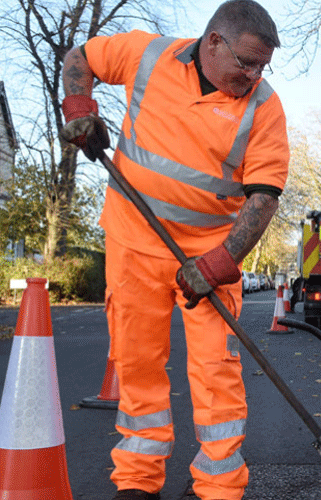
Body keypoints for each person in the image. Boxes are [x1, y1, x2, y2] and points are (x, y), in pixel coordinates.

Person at [59, 1, 288, 499]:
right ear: (212, 43)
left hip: (208, 254)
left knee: (216, 369)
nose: (253, 75)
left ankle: (220, 484)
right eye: (245, 63)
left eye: (262, 67)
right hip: (134, 240)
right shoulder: (147, 55)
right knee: (137, 361)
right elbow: (81, 58)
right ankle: (139, 480)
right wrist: (80, 109)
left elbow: (264, 194)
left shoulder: (263, 107)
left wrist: (222, 262)